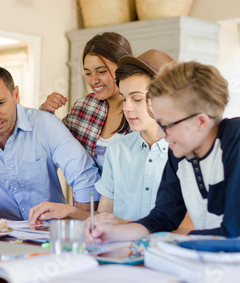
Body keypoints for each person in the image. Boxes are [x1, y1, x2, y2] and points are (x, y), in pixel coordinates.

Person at [88, 61, 240, 245]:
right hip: (217, 263)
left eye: (166, 124)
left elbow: (239, 234)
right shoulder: (179, 150)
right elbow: (162, 218)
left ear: (201, 121)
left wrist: (169, 240)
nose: (161, 133)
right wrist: (113, 233)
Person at [29, 49, 176, 225]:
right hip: (120, 250)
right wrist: (68, 211)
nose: (127, 108)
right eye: (123, 99)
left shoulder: (185, 154)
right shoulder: (118, 150)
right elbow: (104, 217)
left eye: (136, 99)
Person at [0, 64, 101, 221]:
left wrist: (83, 225)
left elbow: (83, 175)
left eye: (1, 103)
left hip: (48, 232)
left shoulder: (45, 124)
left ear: (16, 95)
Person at [40, 32, 132, 173]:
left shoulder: (143, 110)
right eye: (88, 73)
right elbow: (49, 145)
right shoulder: (84, 107)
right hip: (86, 195)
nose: (93, 81)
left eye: (101, 71)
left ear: (123, 66)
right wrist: (46, 111)